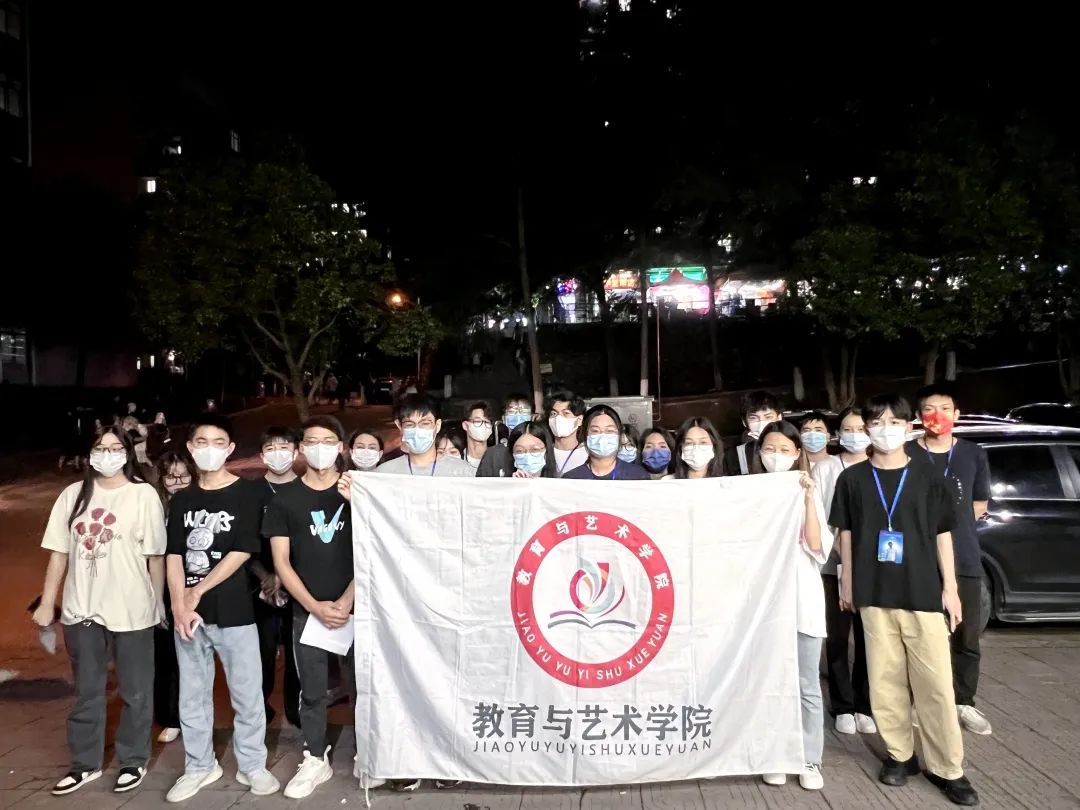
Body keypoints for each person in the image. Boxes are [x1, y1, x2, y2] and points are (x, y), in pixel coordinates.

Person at [833, 394, 978, 806]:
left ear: (908, 427)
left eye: (894, 422)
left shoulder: (930, 476)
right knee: (884, 679)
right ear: (866, 428)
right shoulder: (852, 479)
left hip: (922, 592)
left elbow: (943, 534)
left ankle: (948, 767)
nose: (885, 430)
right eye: (877, 423)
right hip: (874, 592)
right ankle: (900, 754)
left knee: (935, 683)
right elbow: (846, 534)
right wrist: (847, 581)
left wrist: (950, 588)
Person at [34, 426, 167, 796]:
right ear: (89, 454)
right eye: (100, 447)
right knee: (88, 691)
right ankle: (84, 764)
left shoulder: (143, 495)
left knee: (136, 691)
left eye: (114, 447)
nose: (107, 454)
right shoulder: (73, 495)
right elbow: (59, 553)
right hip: (82, 610)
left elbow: (155, 557)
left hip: (132, 608)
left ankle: (133, 759)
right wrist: (47, 602)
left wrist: (158, 603)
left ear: (127, 453)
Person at [165, 414, 279, 803]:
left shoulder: (249, 493)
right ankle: (199, 766)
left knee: (246, 694)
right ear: (190, 447)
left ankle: (252, 764)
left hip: (234, 610)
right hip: (189, 616)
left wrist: (197, 591)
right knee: (192, 694)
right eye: (201, 442)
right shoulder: (182, 499)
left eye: (218, 443)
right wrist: (179, 604)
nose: (209, 449)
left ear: (230, 449)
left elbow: (243, 549)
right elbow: (174, 554)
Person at [264, 416, 355, 799]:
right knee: (312, 690)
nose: (321, 448)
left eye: (329, 441)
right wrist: (314, 607)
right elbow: (282, 562)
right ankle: (316, 757)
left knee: (361, 686)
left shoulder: (357, 492)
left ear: (341, 447)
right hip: (308, 612)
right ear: (301, 449)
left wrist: (347, 601)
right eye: (312, 442)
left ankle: (371, 753)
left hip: (356, 608)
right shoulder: (285, 500)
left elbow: (375, 548)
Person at [908, 384, 993, 736]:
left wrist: (950, 528)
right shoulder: (907, 453)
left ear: (957, 415)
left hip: (965, 558)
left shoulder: (973, 454)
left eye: (945, 408)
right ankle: (922, 702)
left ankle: (964, 702)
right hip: (919, 561)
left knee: (966, 637)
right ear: (919, 416)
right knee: (922, 637)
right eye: (930, 409)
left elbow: (979, 504)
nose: (937, 416)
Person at [750, 421, 829, 791]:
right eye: (770, 449)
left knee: (806, 684)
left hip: (801, 601)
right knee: (767, 681)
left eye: (784, 450)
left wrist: (809, 499)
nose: (776, 456)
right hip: (762, 606)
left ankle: (809, 757)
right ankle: (775, 754)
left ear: (798, 453)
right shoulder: (750, 493)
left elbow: (816, 545)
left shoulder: (806, 491)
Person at [812, 406, 875, 737]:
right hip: (831, 565)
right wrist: (836, 548)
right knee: (837, 637)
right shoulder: (825, 468)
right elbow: (818, 514)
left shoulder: (878, 466)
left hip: (872, 566)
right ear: (838, 434)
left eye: (860, 428)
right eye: (847, 429)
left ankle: (865, 704)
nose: (854, 435)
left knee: (869, 637)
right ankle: (842, 705)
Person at [249, 427, 301, 729]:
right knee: (262, 652)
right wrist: (265, 575)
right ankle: (260, 709)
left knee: (296, 652)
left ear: (296, 452)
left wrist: (284, 576)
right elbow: (243, 541)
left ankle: (296, 709)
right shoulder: (250, 492)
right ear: (262, 455)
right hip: (259, 585)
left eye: (284, 447)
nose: (278, 454)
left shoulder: (305, 488)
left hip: (299, 584)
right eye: (270, 448)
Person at [152, 451, 193, 747]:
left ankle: (192, 716)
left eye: (183, 475)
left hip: (197, 584)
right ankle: (171, 717)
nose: (177, 482)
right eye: (170, 476)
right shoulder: (154, 507)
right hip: (161, 587)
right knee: (165, 655)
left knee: (193, 655)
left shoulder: (201, 503)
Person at [377, 395, 475, 478]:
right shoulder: (384, 473)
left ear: (437, 425)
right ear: (399, 426)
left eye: (425, 423)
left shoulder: (462, 471)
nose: (417, 430)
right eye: (410, 424)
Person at [563, 405, 651, 481]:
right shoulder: (571, 479)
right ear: (585, 435)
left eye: (609, 431)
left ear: (619, 435)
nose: (603, 437)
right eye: (595, 431)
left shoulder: (638, 476)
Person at [723, 391, 781, 475]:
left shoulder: (793, 445)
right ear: (744, 421)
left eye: (768, 417)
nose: (761, 422)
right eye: (753, 418)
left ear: (779, 418)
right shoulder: (733, 453)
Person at [546, 390, 588, 477]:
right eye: (554, 413)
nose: (558, 418)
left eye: (565, 413)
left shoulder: (588, 453)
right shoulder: (542, 452)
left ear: (579, 420)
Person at [461, 401, 494, 469]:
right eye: (478, 421)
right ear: (465, 425)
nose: (483, 425)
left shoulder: (498, 459)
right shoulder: (458, 458)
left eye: (487, 422)